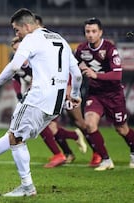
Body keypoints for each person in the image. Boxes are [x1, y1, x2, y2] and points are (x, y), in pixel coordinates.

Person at [0, 8, 82, 197]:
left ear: (27, 26)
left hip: (38, 98)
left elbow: (15, 65)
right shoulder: (60, 39)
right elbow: (76, 74)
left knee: (16, 138)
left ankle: (27, 187)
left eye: (16, 30)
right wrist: (75, 94)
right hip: (56, 103)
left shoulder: (31, 38)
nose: (16, 34)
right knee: (16, 135)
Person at [10, 36, 87, 168]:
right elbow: (15, 79)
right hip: (40, 96)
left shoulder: (39, 58)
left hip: (53, 94)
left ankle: (60, 154)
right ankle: (69, 147)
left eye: (20, 49)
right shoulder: (17, 63)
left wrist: (68, 87)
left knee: (44, 126)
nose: (19, 53)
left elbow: (63, 70)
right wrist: (19, 94)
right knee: (50, 127)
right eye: (15, 50)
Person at [75, 17, 134, 170]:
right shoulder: (81, 49)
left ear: (100, 32)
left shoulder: (110, 48)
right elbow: (72, 67)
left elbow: (117, 76)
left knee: (121, 129)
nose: (90, 34)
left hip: (113, 94)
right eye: (87, 31)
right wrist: (72, 89)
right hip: (95, 94)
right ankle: (106, 160)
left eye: (94, 31)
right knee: (89, 124)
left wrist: (95, 75)